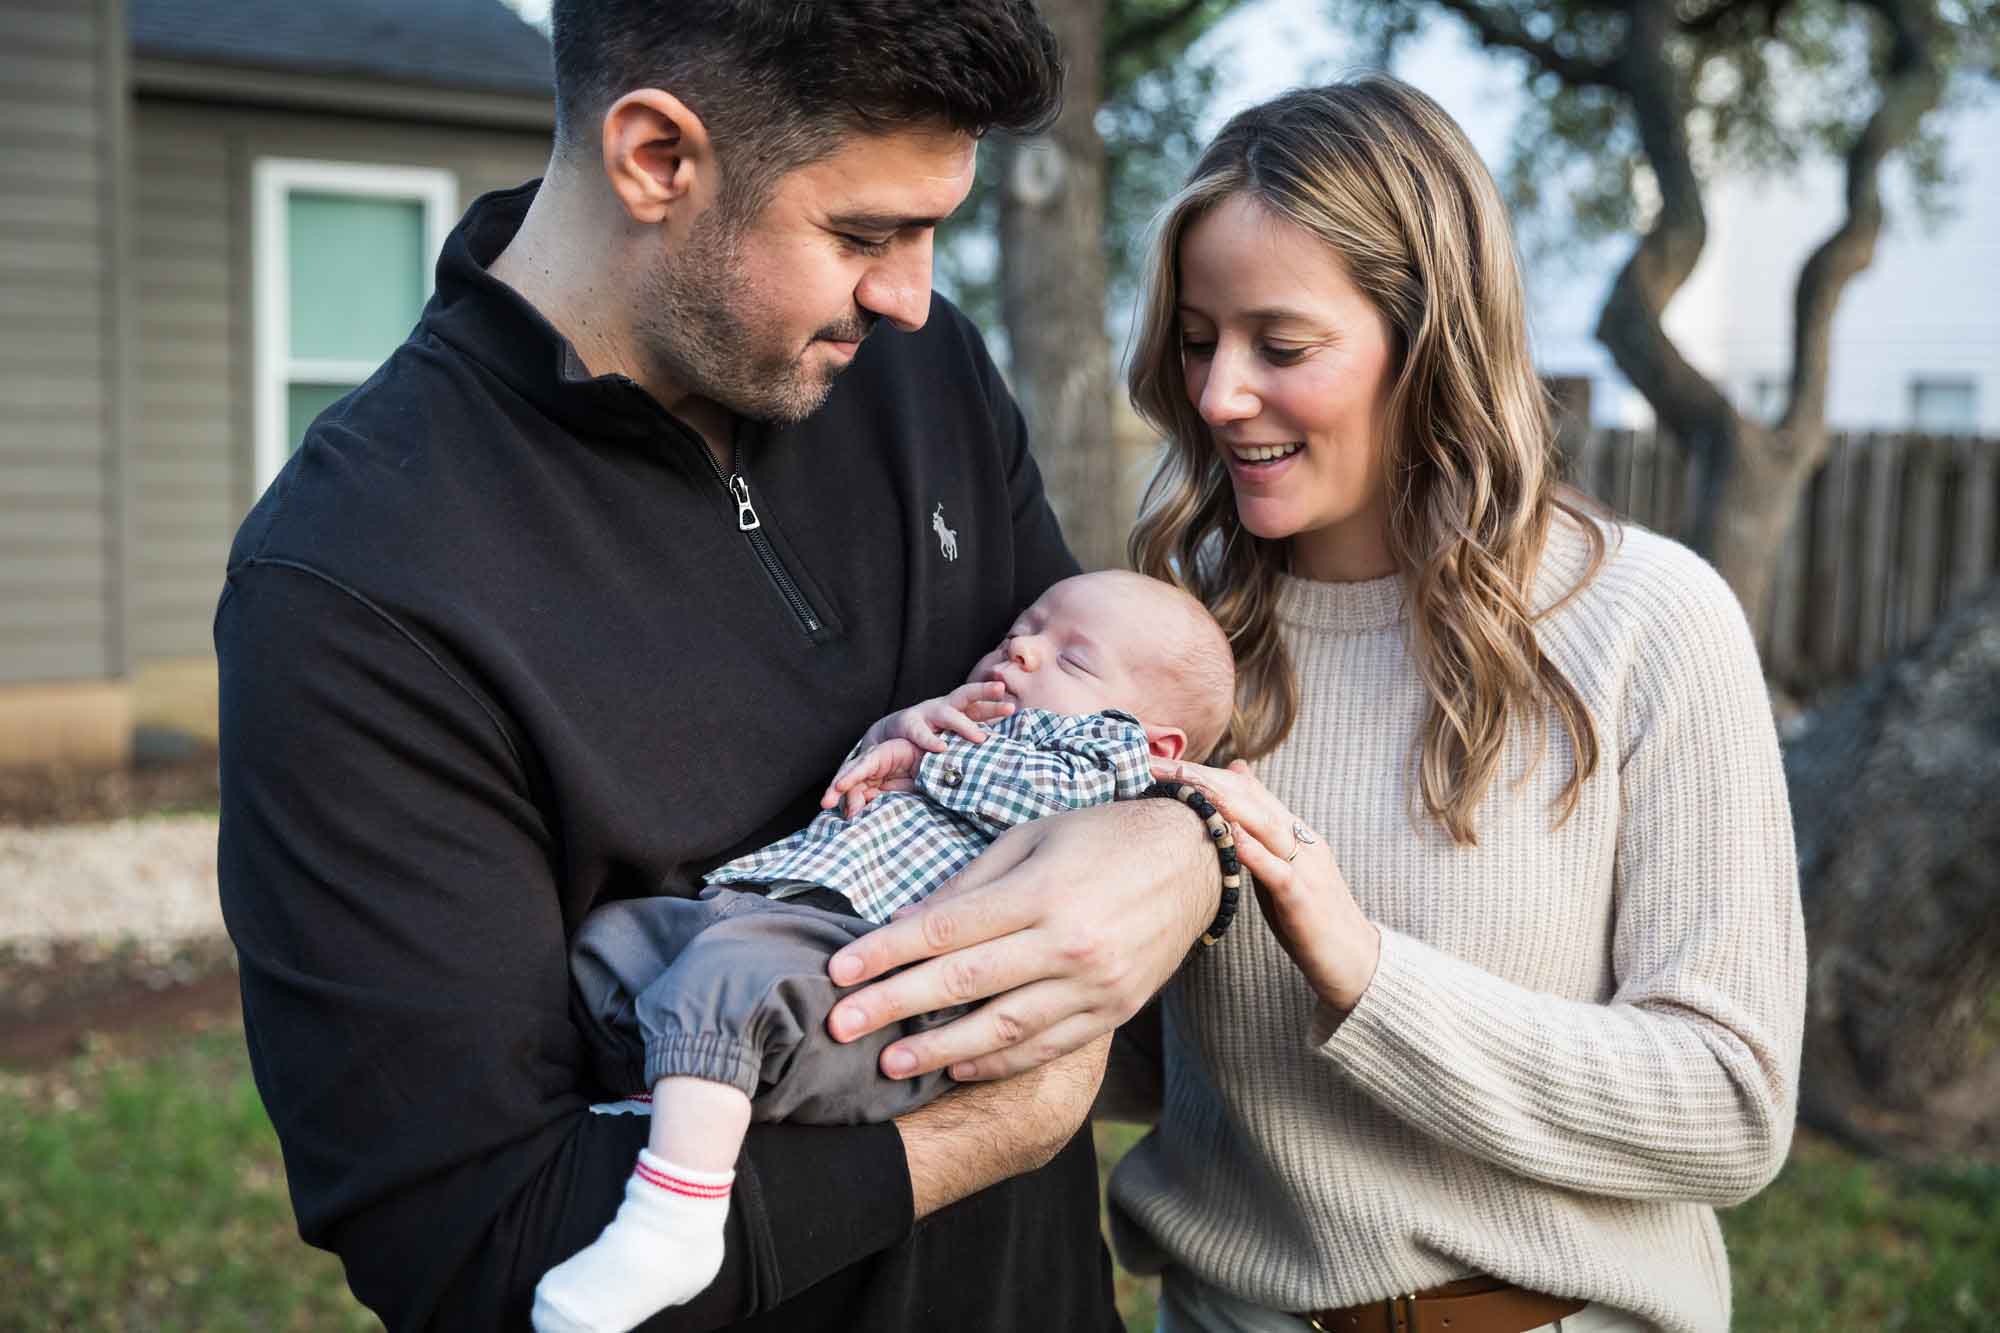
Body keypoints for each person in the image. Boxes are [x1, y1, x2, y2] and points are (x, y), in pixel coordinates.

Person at [213, 4, 1226, 1330]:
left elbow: (1113, 731)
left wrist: (1184, 839)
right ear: (653, 157)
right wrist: (1000, 1122)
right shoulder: (356, 586)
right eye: (865, 235)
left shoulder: (924, 378)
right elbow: (470, 1247)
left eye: (930, 231)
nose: (912, 294)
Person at [1104, 76, 1807, 1333]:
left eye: (1280, 343)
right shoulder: (1176, 641)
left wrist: (1370, 979)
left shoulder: (1647, 624)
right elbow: (1165, 1061)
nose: (1216, 396)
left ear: (1427, 340)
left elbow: (1729, 1105)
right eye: (1200, 339)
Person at [533, 570, 1235, 1333]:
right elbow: (860, 796)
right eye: (1020, 631)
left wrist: (928, 750)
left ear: (1156, 741)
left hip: (876, 963)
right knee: (613, 945)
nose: (1024, 650)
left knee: (729, 983)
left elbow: (1038, 795)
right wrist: (892, 735)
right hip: (778, 913)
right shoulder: (961, 725)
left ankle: (675, 1215)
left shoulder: (1106, 763)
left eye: (1072, 659)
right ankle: (667, 1101)